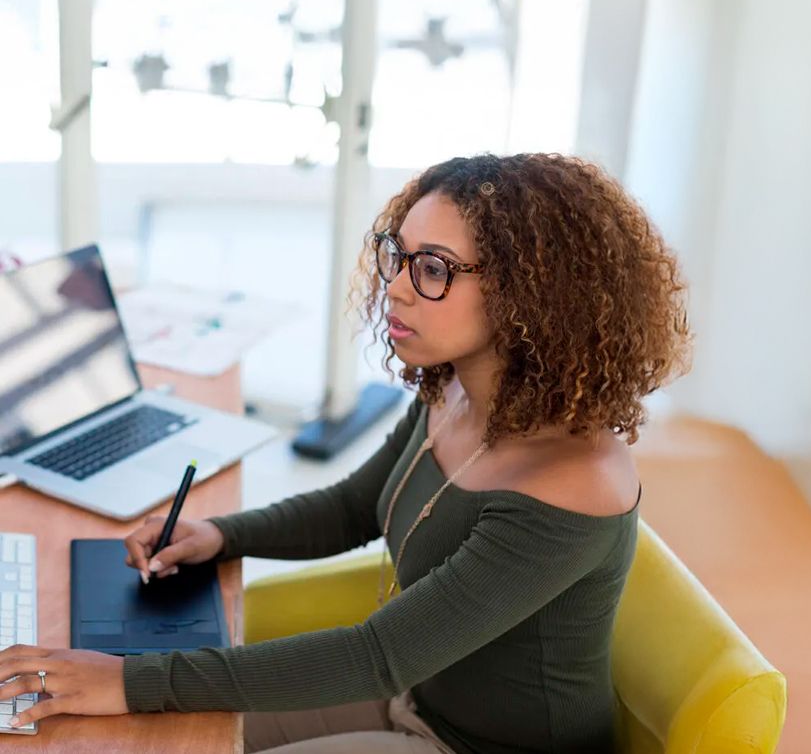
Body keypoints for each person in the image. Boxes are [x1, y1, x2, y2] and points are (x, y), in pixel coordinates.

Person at [0, 152, 693, 752]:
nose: (396, 287)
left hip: (476, 745)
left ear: (529, 295)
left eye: (434, 269)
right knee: (143, 736)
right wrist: (219, 535)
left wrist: (127, 681)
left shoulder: (573, 484)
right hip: (415, 698)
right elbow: (357, 505)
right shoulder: (456, 389)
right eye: (399, 255)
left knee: (145, 715)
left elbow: (377, 655)